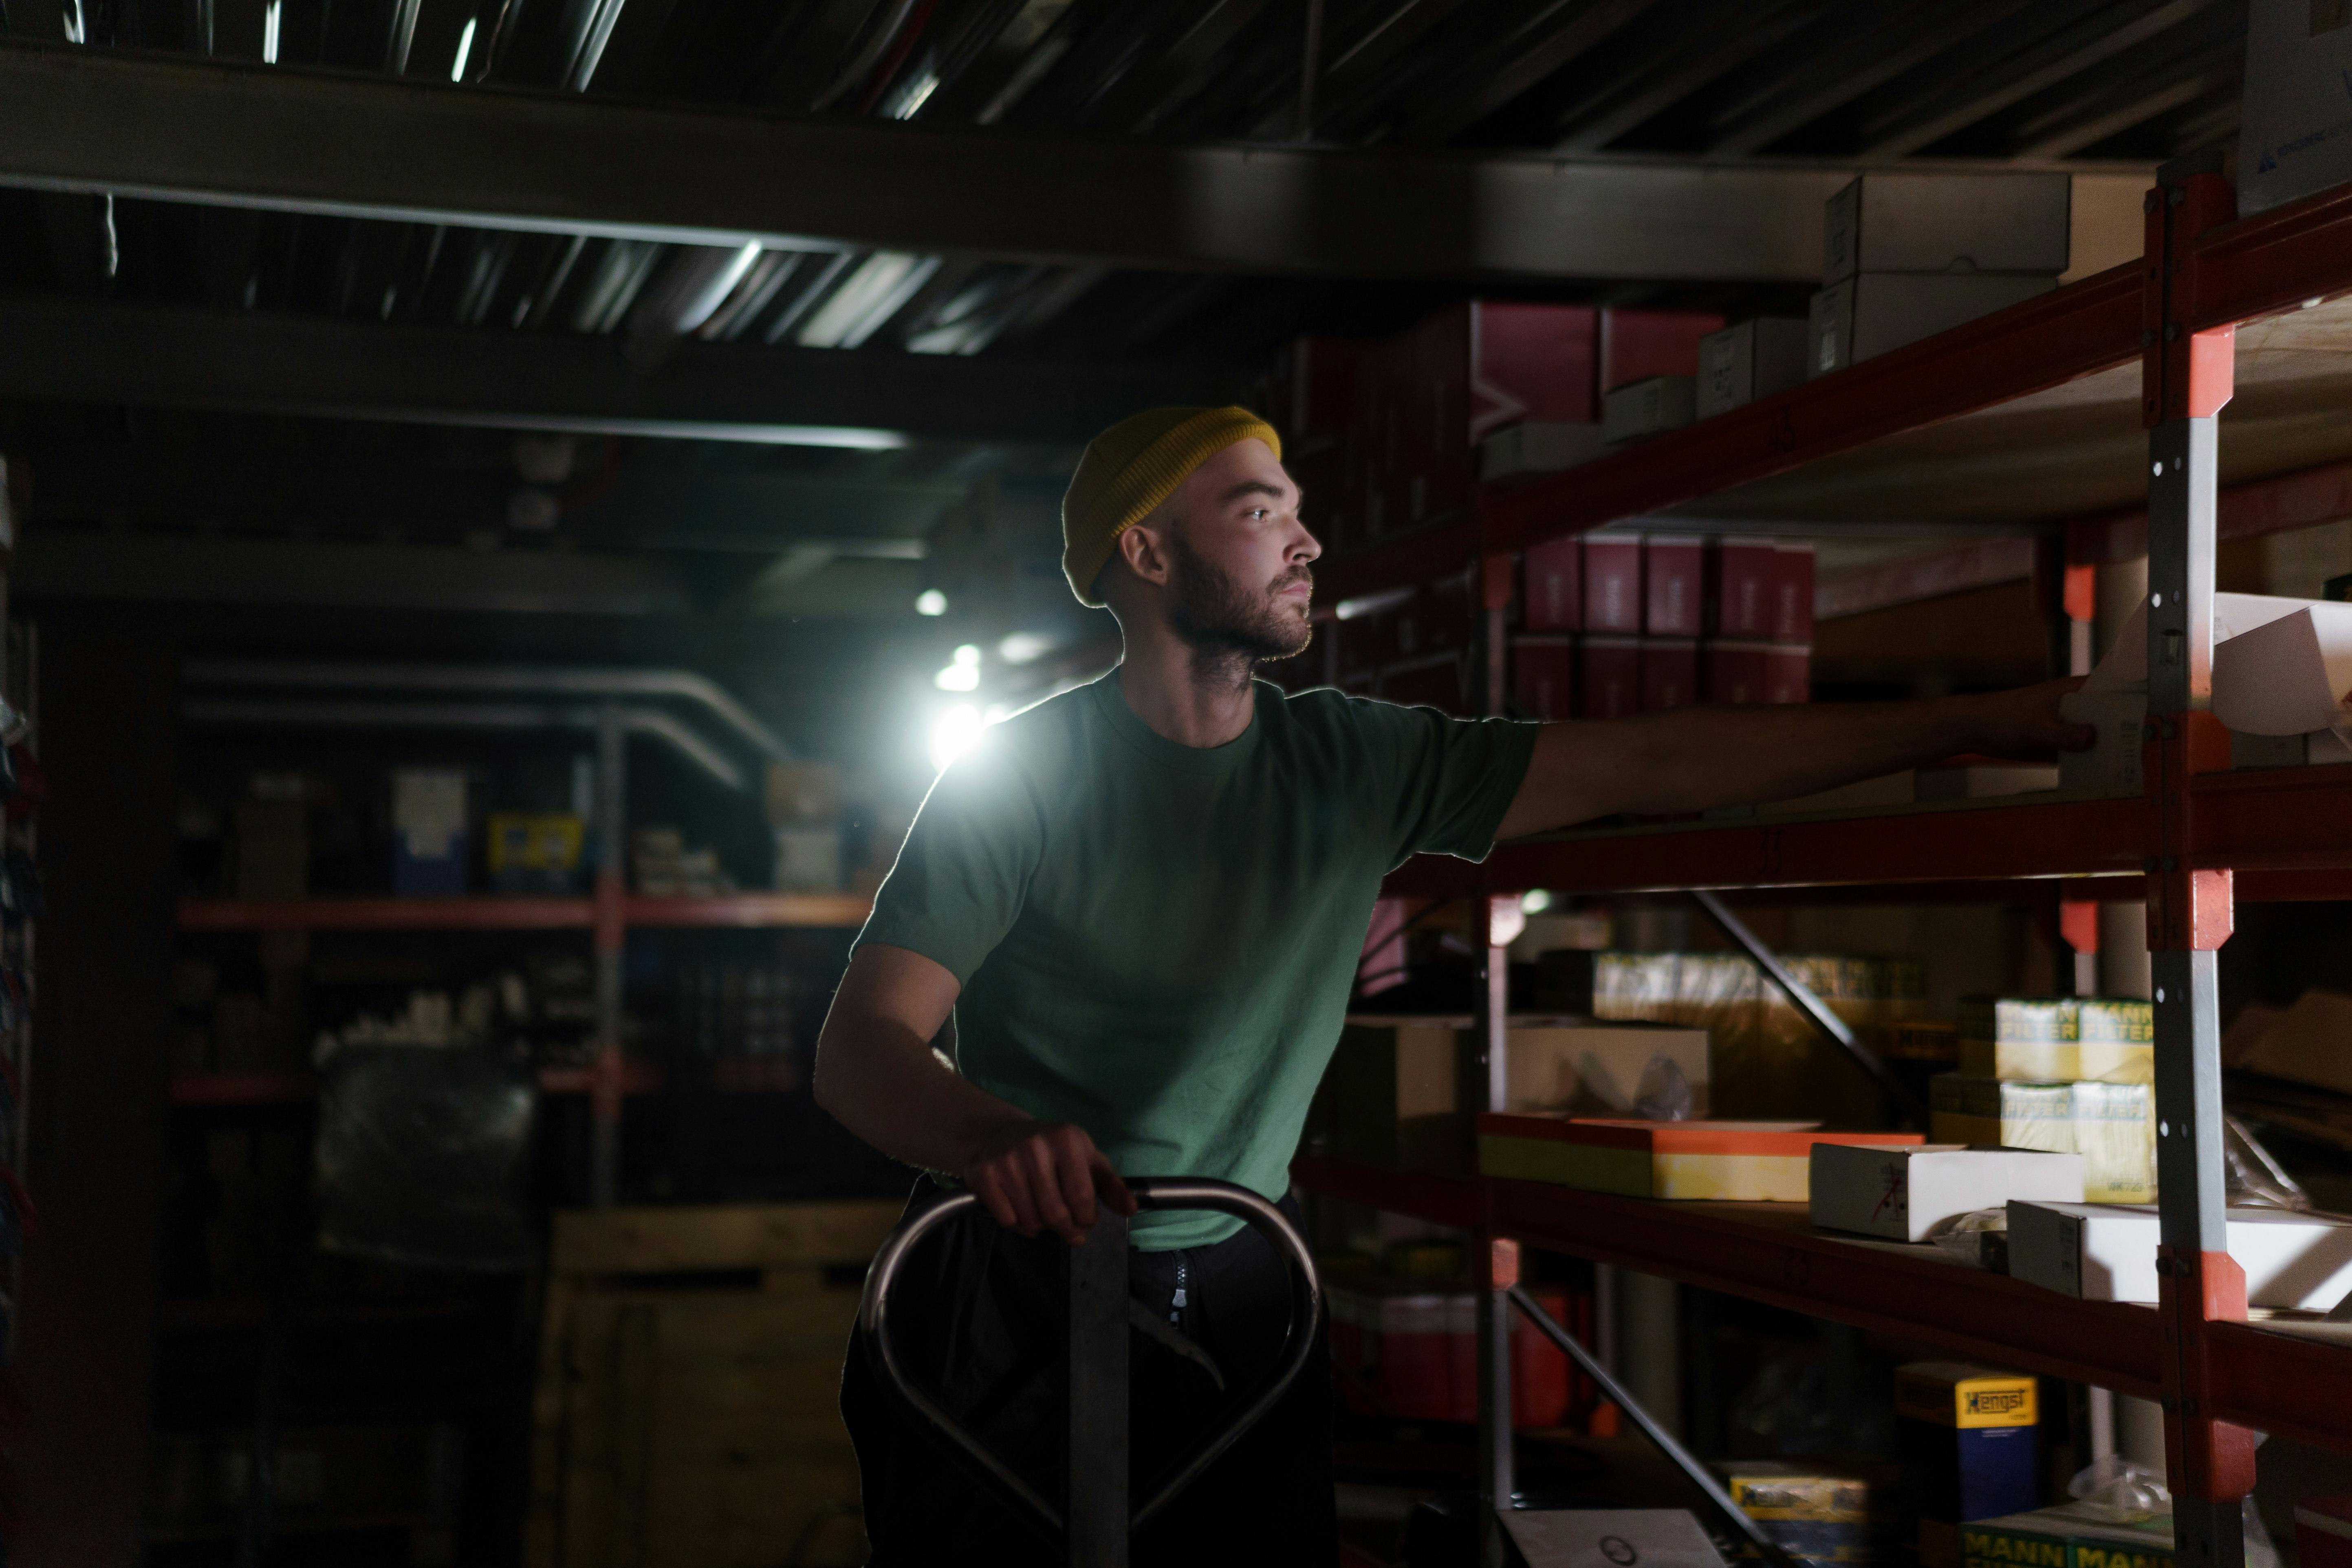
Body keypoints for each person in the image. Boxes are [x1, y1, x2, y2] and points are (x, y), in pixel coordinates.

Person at [815, 405, 2089, 1566]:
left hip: (1245, 1279)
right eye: (1259, 512)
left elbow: (1653, 756)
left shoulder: (1350, 762)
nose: (1305, 542)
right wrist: (993, 1135)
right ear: (1143, 557)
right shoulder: (1020, 778)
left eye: (1297, 509)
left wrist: (1971, 721)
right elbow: (864, 1043)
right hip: (1002, 1279)